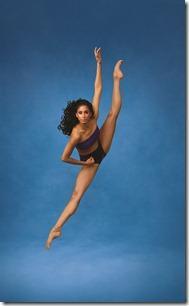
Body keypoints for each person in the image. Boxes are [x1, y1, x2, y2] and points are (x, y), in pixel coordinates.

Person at [45, 47, 124, 249]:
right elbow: (63, 157)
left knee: (112, 114)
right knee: (76, 197)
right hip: (91, 161)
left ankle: (117, 78)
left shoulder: (94, 115)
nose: (85, 115)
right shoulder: (76, 134)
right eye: (80, 113)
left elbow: (97, 89)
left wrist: (99, 64)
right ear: (76, 115)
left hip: (102, 145)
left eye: (86, 112)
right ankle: (56, 228)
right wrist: (83, 162)